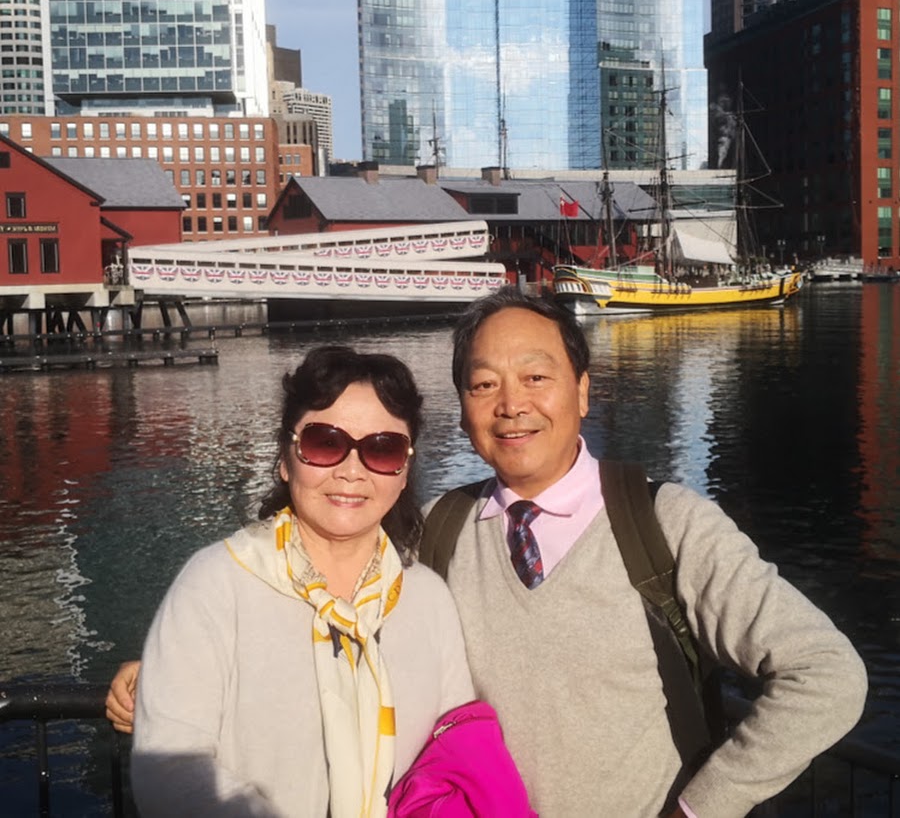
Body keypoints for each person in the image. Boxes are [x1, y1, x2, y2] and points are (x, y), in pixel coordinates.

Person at [111, 288, 869, 818]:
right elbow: (331, 584)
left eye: (536, 377)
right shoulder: (440, 531)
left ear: (582, 390)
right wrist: (168, 671)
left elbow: (828, 675)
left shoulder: (667, 526)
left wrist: (701, 809)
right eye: (483, 385)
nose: (512, 405)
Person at [127, 346, 475, 817]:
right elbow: (168, 770)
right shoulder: (216, 585)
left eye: (382, 448)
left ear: (404, 470)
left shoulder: (427, 599)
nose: (351, 471)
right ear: (286, 458)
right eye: (325, 443)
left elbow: (455, 753)